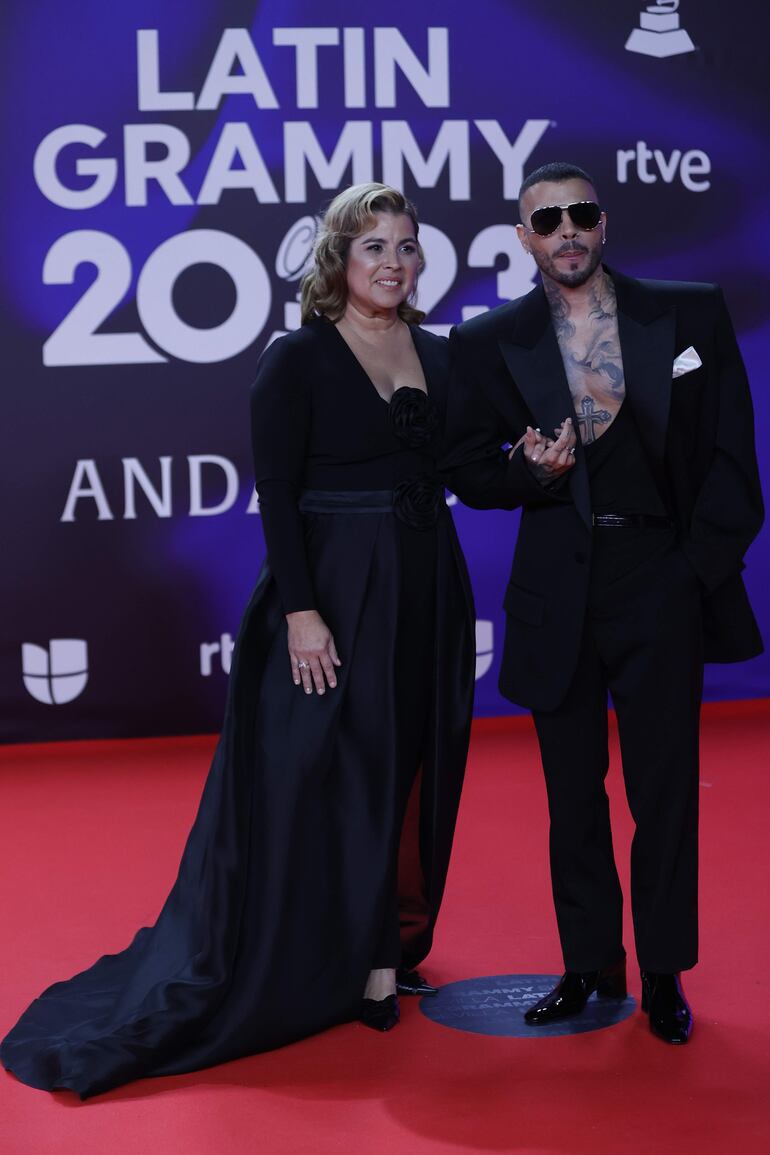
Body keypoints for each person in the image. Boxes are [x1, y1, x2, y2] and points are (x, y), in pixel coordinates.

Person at [1, 183, 475, 1097]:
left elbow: (464, 468)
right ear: (338, 256)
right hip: (330, 588)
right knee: (333, 773)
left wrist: (535, 467)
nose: (393, 260)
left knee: (409, 761)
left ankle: (388, 945)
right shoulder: (294, 358)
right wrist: (302, 610)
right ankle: (344, 957)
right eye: (373, 243)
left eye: (408, 246)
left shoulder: (442, 355)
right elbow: (277, 491)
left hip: (425, 588)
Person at [442, 161, 763, 1044]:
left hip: (660, 579)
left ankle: (663, 973)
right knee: (571, 792)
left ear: (604, 222)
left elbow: (734, 455)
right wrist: (525, 470)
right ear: (525, 239)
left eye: (580, 214)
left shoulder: (687, 310)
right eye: (548, 221)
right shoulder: (487, 340)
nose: (567, 231)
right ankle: (588, 964)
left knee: (665, 791)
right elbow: (468, 472)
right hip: (558, 589)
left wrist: (691, 571)